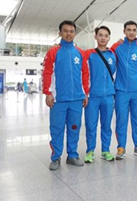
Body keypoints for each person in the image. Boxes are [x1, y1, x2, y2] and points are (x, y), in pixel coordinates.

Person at [42, 20, 89, 170]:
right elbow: (47, 73)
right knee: (57, 129)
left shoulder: (80, 53)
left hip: (76, 99)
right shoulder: (53, 52)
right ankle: (55, 157)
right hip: (58, 100)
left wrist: (85, 93)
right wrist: (48, 93)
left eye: (71, 31)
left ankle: (72, 155)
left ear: (75, 33)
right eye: (66, 31)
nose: (69, 34)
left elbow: (85, 75)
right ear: (60, 33)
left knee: (74, 127)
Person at [111, 20, 137, 160]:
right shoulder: (117, 48)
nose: (131, 32)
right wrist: (115, 43)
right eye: (129, 30)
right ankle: (121, 147)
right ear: (124, 31)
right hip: (121, 90)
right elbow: (108, 55)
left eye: (134, 30)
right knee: (121, 120)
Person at [83, 26, 116, 163]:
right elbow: (83, 73)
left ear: (109, 38)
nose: (103, 38)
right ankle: (90, 151)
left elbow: (115, 72)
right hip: (93, 96)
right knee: (91, 125)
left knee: (106, 125)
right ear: (95, 36)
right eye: (100, 35)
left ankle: (105, 150)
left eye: (106, 35)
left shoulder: (113, 55)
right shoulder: (89, 54)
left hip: (108, 95)